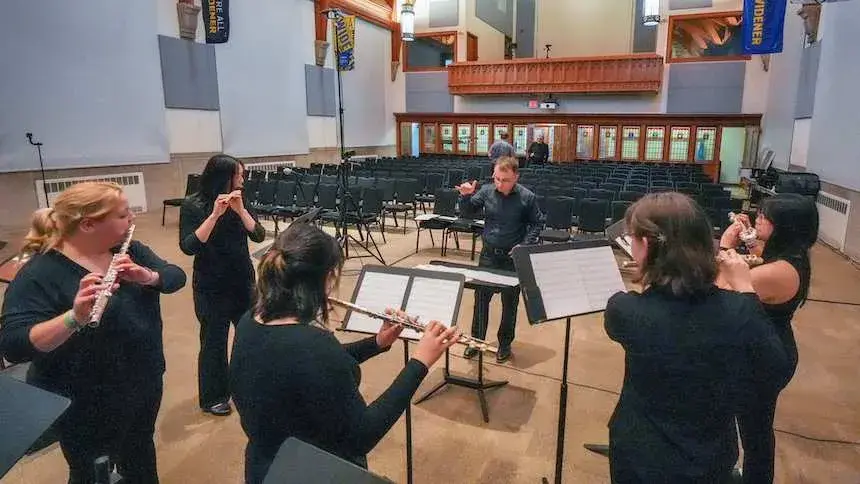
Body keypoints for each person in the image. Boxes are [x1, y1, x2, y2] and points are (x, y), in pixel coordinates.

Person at [229, 223, 460, 484]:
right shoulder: (314, 345)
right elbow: (362, 436)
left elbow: (308, 365)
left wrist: (376, 343)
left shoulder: (249, 322)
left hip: (266, 465)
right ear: (325, 278)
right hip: (314, 472)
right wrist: (420, 362)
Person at [0, 182, 186, 483]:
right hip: (83, 399)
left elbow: (176, 276)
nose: (132, 220)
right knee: (91, 469)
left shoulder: (130, 251)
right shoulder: (40, 273)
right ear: (88, 224)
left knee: (139, 454)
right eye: (123, 215)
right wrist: (73, 318)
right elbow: (14, 345)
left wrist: (148, 276)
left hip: (142, 382)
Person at [604, 193, 789, 483]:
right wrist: (744, 287)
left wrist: (651, 274)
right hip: (709, 456)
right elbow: (775, 368)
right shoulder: (739, 311)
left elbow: (653, 311)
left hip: (640, 454)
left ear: (646, 247)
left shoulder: (625, 310)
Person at [718, 193, 818, 483]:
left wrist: (727, 243)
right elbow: (757, 254)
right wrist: (750, 237)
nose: (758, 218)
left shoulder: (780, 271)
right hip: (765, 345)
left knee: (755, 433)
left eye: (765, 217)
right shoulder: (788, 253)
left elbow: (725, 290)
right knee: (756, 428)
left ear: (785, 226)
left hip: (764, 358)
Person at [179, 154, 266, 416]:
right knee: (213, 343)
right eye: (238, 175)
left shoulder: (240, 198)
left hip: (242, 279)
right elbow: (189, 246)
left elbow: (258, 234)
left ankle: (250, 385)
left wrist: (241, 211)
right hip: (211, 284)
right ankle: (214, 396)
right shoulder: (193, 205)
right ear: (224, 177)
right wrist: (215, 215)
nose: (242, 180)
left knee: (251, 336)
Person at [455, 156, 542, 362]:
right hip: (488, 255)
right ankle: (476, 340)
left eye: (505, 180)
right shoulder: (486, 191)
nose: (500, 184)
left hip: (512, 259)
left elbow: (537, 224)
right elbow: (467, 213)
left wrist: (525, 245)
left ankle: (504, 344)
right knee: (481, 301)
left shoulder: (527, 197)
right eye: (497, 179)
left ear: (516, 177)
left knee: (509, 304)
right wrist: (465, 197)